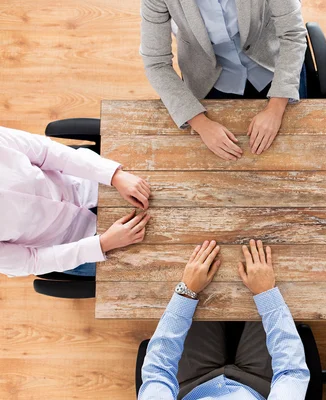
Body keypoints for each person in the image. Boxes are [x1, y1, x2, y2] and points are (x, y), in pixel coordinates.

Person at [139, 239, 310, 399]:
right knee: (273, 270)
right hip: (261, 387)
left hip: (192, 385)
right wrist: (266, 294)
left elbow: (158, 372)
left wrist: (186, 292)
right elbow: (291, 373)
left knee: (199, 258)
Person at [140, 0, 307, 159]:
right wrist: (200, 124)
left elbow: (292, 35)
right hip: (209, 82)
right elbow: (156, 63)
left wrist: (276, 108)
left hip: (276, 70)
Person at [0, 126, 151, 277]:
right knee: (149, 268)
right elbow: (33, 261)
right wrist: (104, 243)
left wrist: (113, 175)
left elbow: (45, 152)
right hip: (76, 245)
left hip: (84, 180)